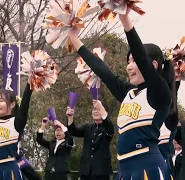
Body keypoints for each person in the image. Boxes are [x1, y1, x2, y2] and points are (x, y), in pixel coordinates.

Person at [68, 7, 176, 179]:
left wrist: (124, 18)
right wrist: (74, 38)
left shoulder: (159, 93)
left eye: (133, 61)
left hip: (148, 169)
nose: (129, 66)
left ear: (153, 66)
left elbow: (141, 55)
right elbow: (102, 70)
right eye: (128, 61)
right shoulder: (128, 92)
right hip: (124, 170)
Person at [67, 100, 114, 180]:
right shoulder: (88, 127)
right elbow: (73, 131)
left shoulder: (107, 128)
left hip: (101, 171)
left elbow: (110, 129)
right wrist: (70, 117)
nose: (95, 111)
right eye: (94, 109)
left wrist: (101, 107)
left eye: (98, 109)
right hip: (86, 170)